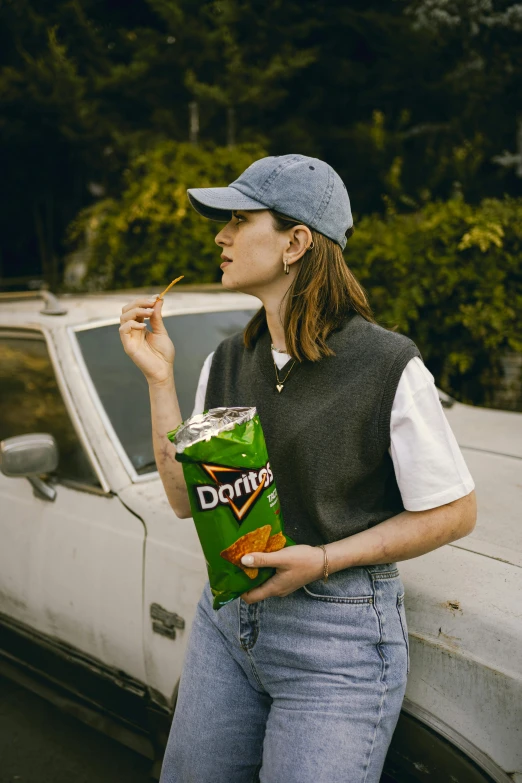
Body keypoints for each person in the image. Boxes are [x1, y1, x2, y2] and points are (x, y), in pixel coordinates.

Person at [119, 154, 477, 783]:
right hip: (228, 625)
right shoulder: (228, 359)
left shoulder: (388, 364)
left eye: (238, 219)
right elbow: (183, 500)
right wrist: (159, 379)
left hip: (335, 640)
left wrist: (325, 559)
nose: (219, 236)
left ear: (297, 242)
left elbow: (455, 511)